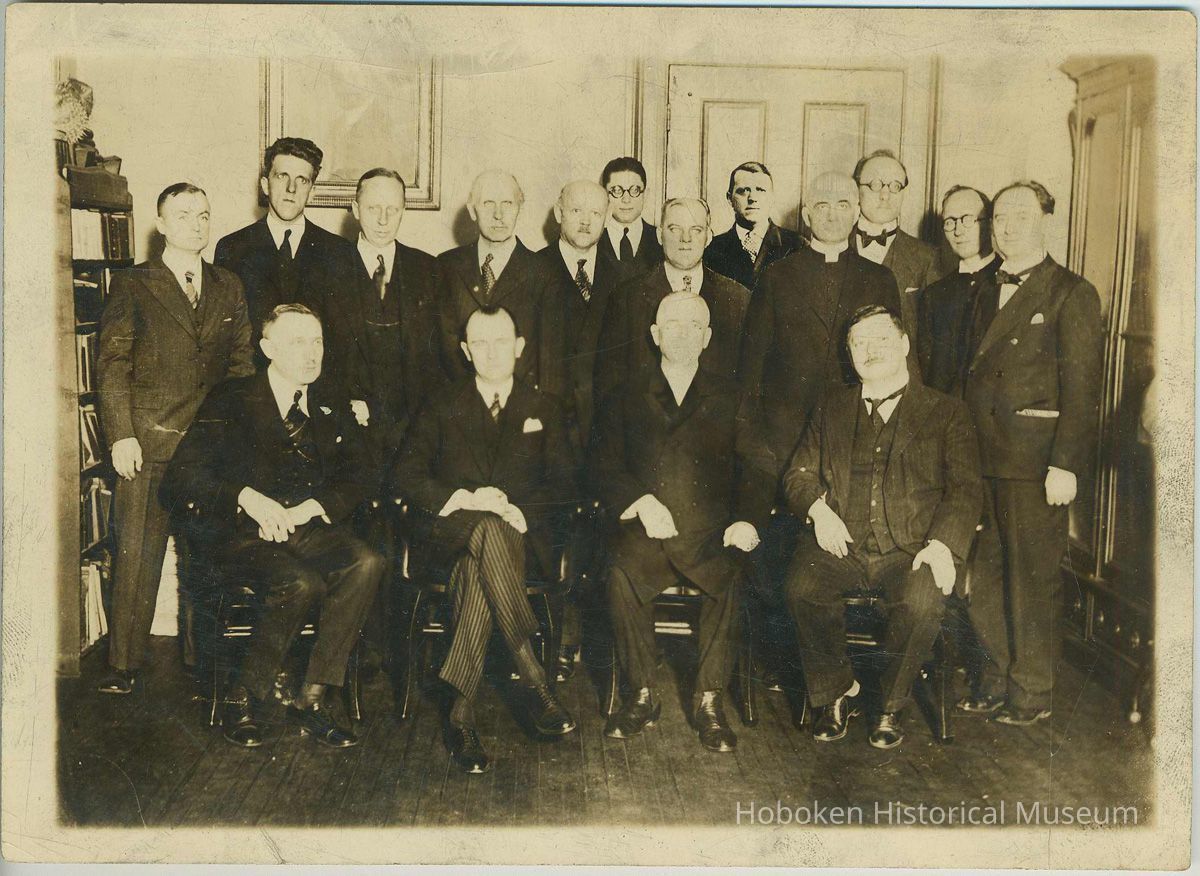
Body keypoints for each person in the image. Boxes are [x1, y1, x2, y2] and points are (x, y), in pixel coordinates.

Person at [160, 304, 385, 749]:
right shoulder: (232, 397)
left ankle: (312, 697)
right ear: (267, 349)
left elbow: (362, 473)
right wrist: (248, 498)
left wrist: (312, 507)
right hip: (242, 534)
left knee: (367, 562)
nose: (311, 353)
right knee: (299, 584)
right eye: (297, 342)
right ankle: (244, 697)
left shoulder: (330, 399)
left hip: (302, 527)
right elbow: (182, 476)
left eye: (317, 341)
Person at [782, 305, 981, 749]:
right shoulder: (831, 406)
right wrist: (819, 510)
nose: (870, 351)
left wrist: (942, 545)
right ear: (848, 353)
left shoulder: (947, 411)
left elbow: (966, 489)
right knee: (801, 586)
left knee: (921, 600)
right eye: (859, 343)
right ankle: (837, 691)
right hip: (843, 543)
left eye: (881, 340)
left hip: (911, 548)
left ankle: (890, 705)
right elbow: (797, 474)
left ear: (905, 344)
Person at [394, 305, 577, 775]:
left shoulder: (545, 408)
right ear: (465, 350)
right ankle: (534, 676)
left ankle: (460, 712)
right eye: (481, 343)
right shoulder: (440, 404)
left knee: (481, 561)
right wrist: (464, 496)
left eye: (502, 342)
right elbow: (406, 476)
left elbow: (564, 484)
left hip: (521, 541)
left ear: (519, 348)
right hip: (450, 536)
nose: (492, 353)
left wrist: (519, 510)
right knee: (483, 527)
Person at [738, 171, 900, 690]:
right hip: (786, 449)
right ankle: (791, 667)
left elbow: (896, 370)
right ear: (805, 214)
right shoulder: (777, 277)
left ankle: (835, 673)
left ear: (857, 210)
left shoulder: (879, 280)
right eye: (821, 203)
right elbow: (751, 373)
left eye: (843, 202)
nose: (832, 211)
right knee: (780, 563)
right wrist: (760, 451)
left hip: (858, 446)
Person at [595, 292, 776, 752]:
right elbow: (602, 464)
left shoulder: (733, 396)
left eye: (693, 325)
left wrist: (748, 520)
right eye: (671, 325)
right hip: (648, 528)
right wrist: (638, 500)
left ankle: (709, 700)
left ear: (708, 337)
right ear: (654, 335)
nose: (682, 333)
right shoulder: (624, 394)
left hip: (710, 531)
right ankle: (641, 693)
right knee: (619, 571)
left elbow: (758, 465)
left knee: (731, 573)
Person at [95, 182, 255, 695]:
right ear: (160, 224)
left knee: (203, 555)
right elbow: (113, 364)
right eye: (184, 215)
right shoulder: (134, 284)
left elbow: (241, 365)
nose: (197, 223)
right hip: (147, 442)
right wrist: (121, 435)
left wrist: (235, 438)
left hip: (208, 448)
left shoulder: (228, 285)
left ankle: (199, 660)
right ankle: (124, 666)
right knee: (139, 553)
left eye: (204, 214)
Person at [961, 181, 1103, 726]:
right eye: (999, 216)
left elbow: (1083, 389)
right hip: (981, 458)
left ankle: (1032, 692)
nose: (1008, 226)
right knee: (988, 579)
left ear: (1046, 220)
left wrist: (1065, 464)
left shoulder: (1071, 293)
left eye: (1021, 215)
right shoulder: (981, 289)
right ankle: (998, 677)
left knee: (1032, 580)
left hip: (1035, 463)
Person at [535, 179, 619, 680]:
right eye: (577, 210)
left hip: (604, 433)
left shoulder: (623, 275)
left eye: (596, 212)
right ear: (558, 211)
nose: (586, 220)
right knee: (553, 530)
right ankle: (555, 639)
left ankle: (595, 641)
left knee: (602, 536)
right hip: (548, 432)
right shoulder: (533, 270)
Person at [323, 168, 443, 474]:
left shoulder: (428, 270)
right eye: (373, 208)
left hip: (413, 434)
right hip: (349, 432)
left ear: (404, 210)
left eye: (392, 209)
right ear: (354, 209)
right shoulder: (324, 269)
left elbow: (438, 359)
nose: (382, 219)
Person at [595, 197, 749, 403]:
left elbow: (748, 385)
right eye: (675, 229)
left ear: (709, 237)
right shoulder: (627, 298)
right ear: (660, 235)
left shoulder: (738, 299)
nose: (686, 238)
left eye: (696, 230)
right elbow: (610, 384)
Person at [434, 169, 564, 399]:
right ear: (473, 211)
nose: (498, 215)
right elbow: (440, 349)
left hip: (521, 407)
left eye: (507, 203)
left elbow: (549, 360)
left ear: (519, 209)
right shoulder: (445, 266)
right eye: (488, 204)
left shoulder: (544, 272)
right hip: (458, 408)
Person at [214, 137, 346, 351]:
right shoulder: (232, 248)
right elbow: (226, 338)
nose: (291, 188)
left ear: (312, 192)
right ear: (265, 185)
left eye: (302, 180)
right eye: (282, 176)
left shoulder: (338, 251)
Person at [915, 185, 1000, 397]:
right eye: (950, 222)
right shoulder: (934, 295)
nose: (958, 230)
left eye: (967, 219)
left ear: (989, 223)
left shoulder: (1011, 283)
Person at [851, 149, 944, 337]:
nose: (885, 195)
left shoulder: (927, 256)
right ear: (856, 189)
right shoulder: (834, 246)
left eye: (895, 186)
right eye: (875, 185)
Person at [703, 161, 802, 290]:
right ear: (729, 198)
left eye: (760, 190)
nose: (752, 198)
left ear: (772, 197)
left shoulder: (796, 245)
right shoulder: (713, 249)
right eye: (743, 191)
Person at [598, 156, 663, 283]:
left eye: (635, 190)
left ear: (646, 194)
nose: (626, 200)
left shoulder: (661, 240)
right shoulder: (593, 239)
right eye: (617, 190)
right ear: (605, 194)